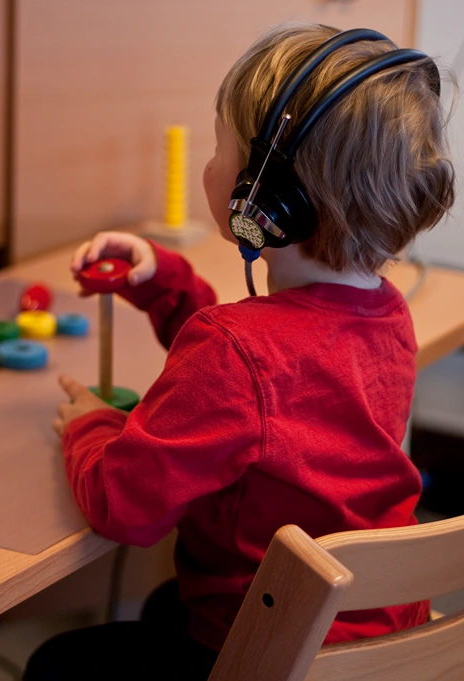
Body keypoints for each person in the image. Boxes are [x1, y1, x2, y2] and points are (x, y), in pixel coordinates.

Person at [22, 21, 455, 681]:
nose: (210, 162)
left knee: (60, 662)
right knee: (163, 606)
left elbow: (123, 505)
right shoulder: (389, 316)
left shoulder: (234, 351)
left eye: (220, 143)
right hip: (373, 628)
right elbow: (268, 380)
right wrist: (165, 282)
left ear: (268, 200)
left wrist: (91, 425)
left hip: (269, 649)